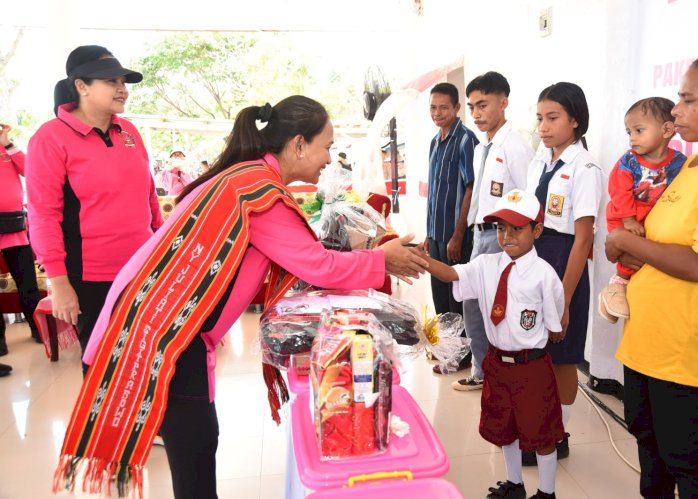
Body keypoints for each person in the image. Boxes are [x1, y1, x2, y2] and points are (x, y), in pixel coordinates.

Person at [53, 96, 428, 499]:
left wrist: (369, 256)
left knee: (194, 441)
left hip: (158, 322)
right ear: (298, 144)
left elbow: (302, 255)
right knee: (195, 445)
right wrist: (380, 260)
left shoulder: (246, 178)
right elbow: (317, 265)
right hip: (166, 335)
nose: (328, 158)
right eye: (326, 146)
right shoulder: (259, 193)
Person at [607, 48, 698, 498]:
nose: (675, 110)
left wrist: (629, 243)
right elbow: (666, 235)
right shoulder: (691, 163)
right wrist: (632, 230)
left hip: (685, 346)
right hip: (650, 336)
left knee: (682, 456)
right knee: (648, 442)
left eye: (689, 100)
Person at [420, 189, 565, 499]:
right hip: (498, 363)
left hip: (532, 366)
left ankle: (547, 492)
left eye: (517, 228)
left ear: (536, 230)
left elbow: (555, 326)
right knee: (505, 428)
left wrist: (548, 333)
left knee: (541, 433)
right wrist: (423, 260)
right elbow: (450, 273)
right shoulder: (486, 265)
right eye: (500, 228)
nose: (507, 236)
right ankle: (515, 484)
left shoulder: (544, 275)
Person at [25, 45, 163, 371]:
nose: (122, 90)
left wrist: (162, 248)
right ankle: (107, 424)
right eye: (110, 81)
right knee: (104, 366)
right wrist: (58, 283)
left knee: (144, 360)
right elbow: (43, 214)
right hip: (91, 277)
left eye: (123, 82)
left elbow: (149, 197)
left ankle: (145, 422)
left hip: (142, 269)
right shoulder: (51, 138)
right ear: (81, 86)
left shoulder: (128, 131)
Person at [525, 82, 603, 463]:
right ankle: (538, 428)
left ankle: (559, 435)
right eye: (539, 118)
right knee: (534, 351)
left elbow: (584, 238)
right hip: (533, 257)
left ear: (575, 120)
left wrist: (565, 299)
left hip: (563, 260)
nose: (543, 126)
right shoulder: (541, 159)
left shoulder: (585, 168)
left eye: (552, 117)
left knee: (563, 355)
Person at [456, 72, 534, 391]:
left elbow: (529, 199)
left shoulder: (516, 147)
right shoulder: (481, 148)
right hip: (480, 233)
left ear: (504, 103)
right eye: (472, 106)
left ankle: (503, 375)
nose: (476, 113)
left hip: (503, 238)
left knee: (499, 307)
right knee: (473, 302)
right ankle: (482, 370)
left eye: (483, 105)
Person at [598, 98, 686, 322]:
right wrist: (627, 219)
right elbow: (618, 190)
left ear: (667, 129)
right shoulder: (629, 161)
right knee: (630, 255)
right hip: (623, 213)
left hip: (649, 216)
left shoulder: (678, 162)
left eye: (638, 130)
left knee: (646, 256)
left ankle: (618, 295)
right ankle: (616, 286)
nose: (632, 138)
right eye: (629, 132)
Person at [423, 82, 478, 374]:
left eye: (444, 107)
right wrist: (428, 235)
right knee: (439, 297)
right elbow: (434, 192)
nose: (437, 112)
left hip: (456, 236)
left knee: (457, 298)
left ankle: (461, 356)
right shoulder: (435, 141)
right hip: (435, 235)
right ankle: (447, 349)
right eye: (433, 107)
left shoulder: (465, 140)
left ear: (457, 108)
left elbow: (471, 188)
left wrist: (458, 234)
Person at [0, 123, 43, 358]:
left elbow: (30, 170)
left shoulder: (7, 148)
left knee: (27, 282)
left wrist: (7, 143)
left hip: (14, 229)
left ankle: (38, 329)